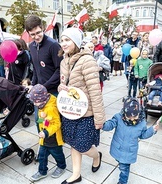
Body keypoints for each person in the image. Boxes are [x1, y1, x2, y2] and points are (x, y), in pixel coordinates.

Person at [58, 28, 106, 184]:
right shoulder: (64, 61)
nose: (63, 43)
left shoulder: (88, 60)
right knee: (73, 142)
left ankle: (97, 156)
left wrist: (99, 117)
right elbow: (64, 84)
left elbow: (95, 91)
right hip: (70, 110)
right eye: (62, 40)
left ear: (76, 42)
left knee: (84, 147)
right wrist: (61, 88)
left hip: (86, 113)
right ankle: (76, 174)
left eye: (67, 40)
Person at [102, 97, 159, 184]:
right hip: (118, 148)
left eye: (134, 116)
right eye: (129, 116)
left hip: (129, 152)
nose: (132, 119)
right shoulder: (118, 118)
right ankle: (121, 166)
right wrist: (102, 125)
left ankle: (122, 182)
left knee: (124, 170)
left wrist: (152, 130)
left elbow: (143, 135)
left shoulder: (141, 123)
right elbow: (110, 124)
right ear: (124, 112)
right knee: (120, 162)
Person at [24, 15, 62, 132]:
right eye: (33, 34)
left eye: (38, 32)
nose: (36, 37)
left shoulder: (53, 45)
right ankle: (43, 145)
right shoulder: (32, 46)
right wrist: (34, 85)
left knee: (51, 122)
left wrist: (44, 87)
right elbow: (35, 69)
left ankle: (56, 149)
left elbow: (59, 70)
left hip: (53, 92)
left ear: (43, 28)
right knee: (39, 121)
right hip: (39, 92)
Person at [29, 84, 66, 182]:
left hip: (53, 138)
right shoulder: (42, 105)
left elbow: (57, 124)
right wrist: (41, 121)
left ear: (40, 100)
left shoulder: (51, 108)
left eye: (34, 102)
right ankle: (42, 171)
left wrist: (46, 132)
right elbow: (45, 119)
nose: (33, 104)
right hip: (44, 137)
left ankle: (61, 166)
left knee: (58, 154)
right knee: (42, 155)